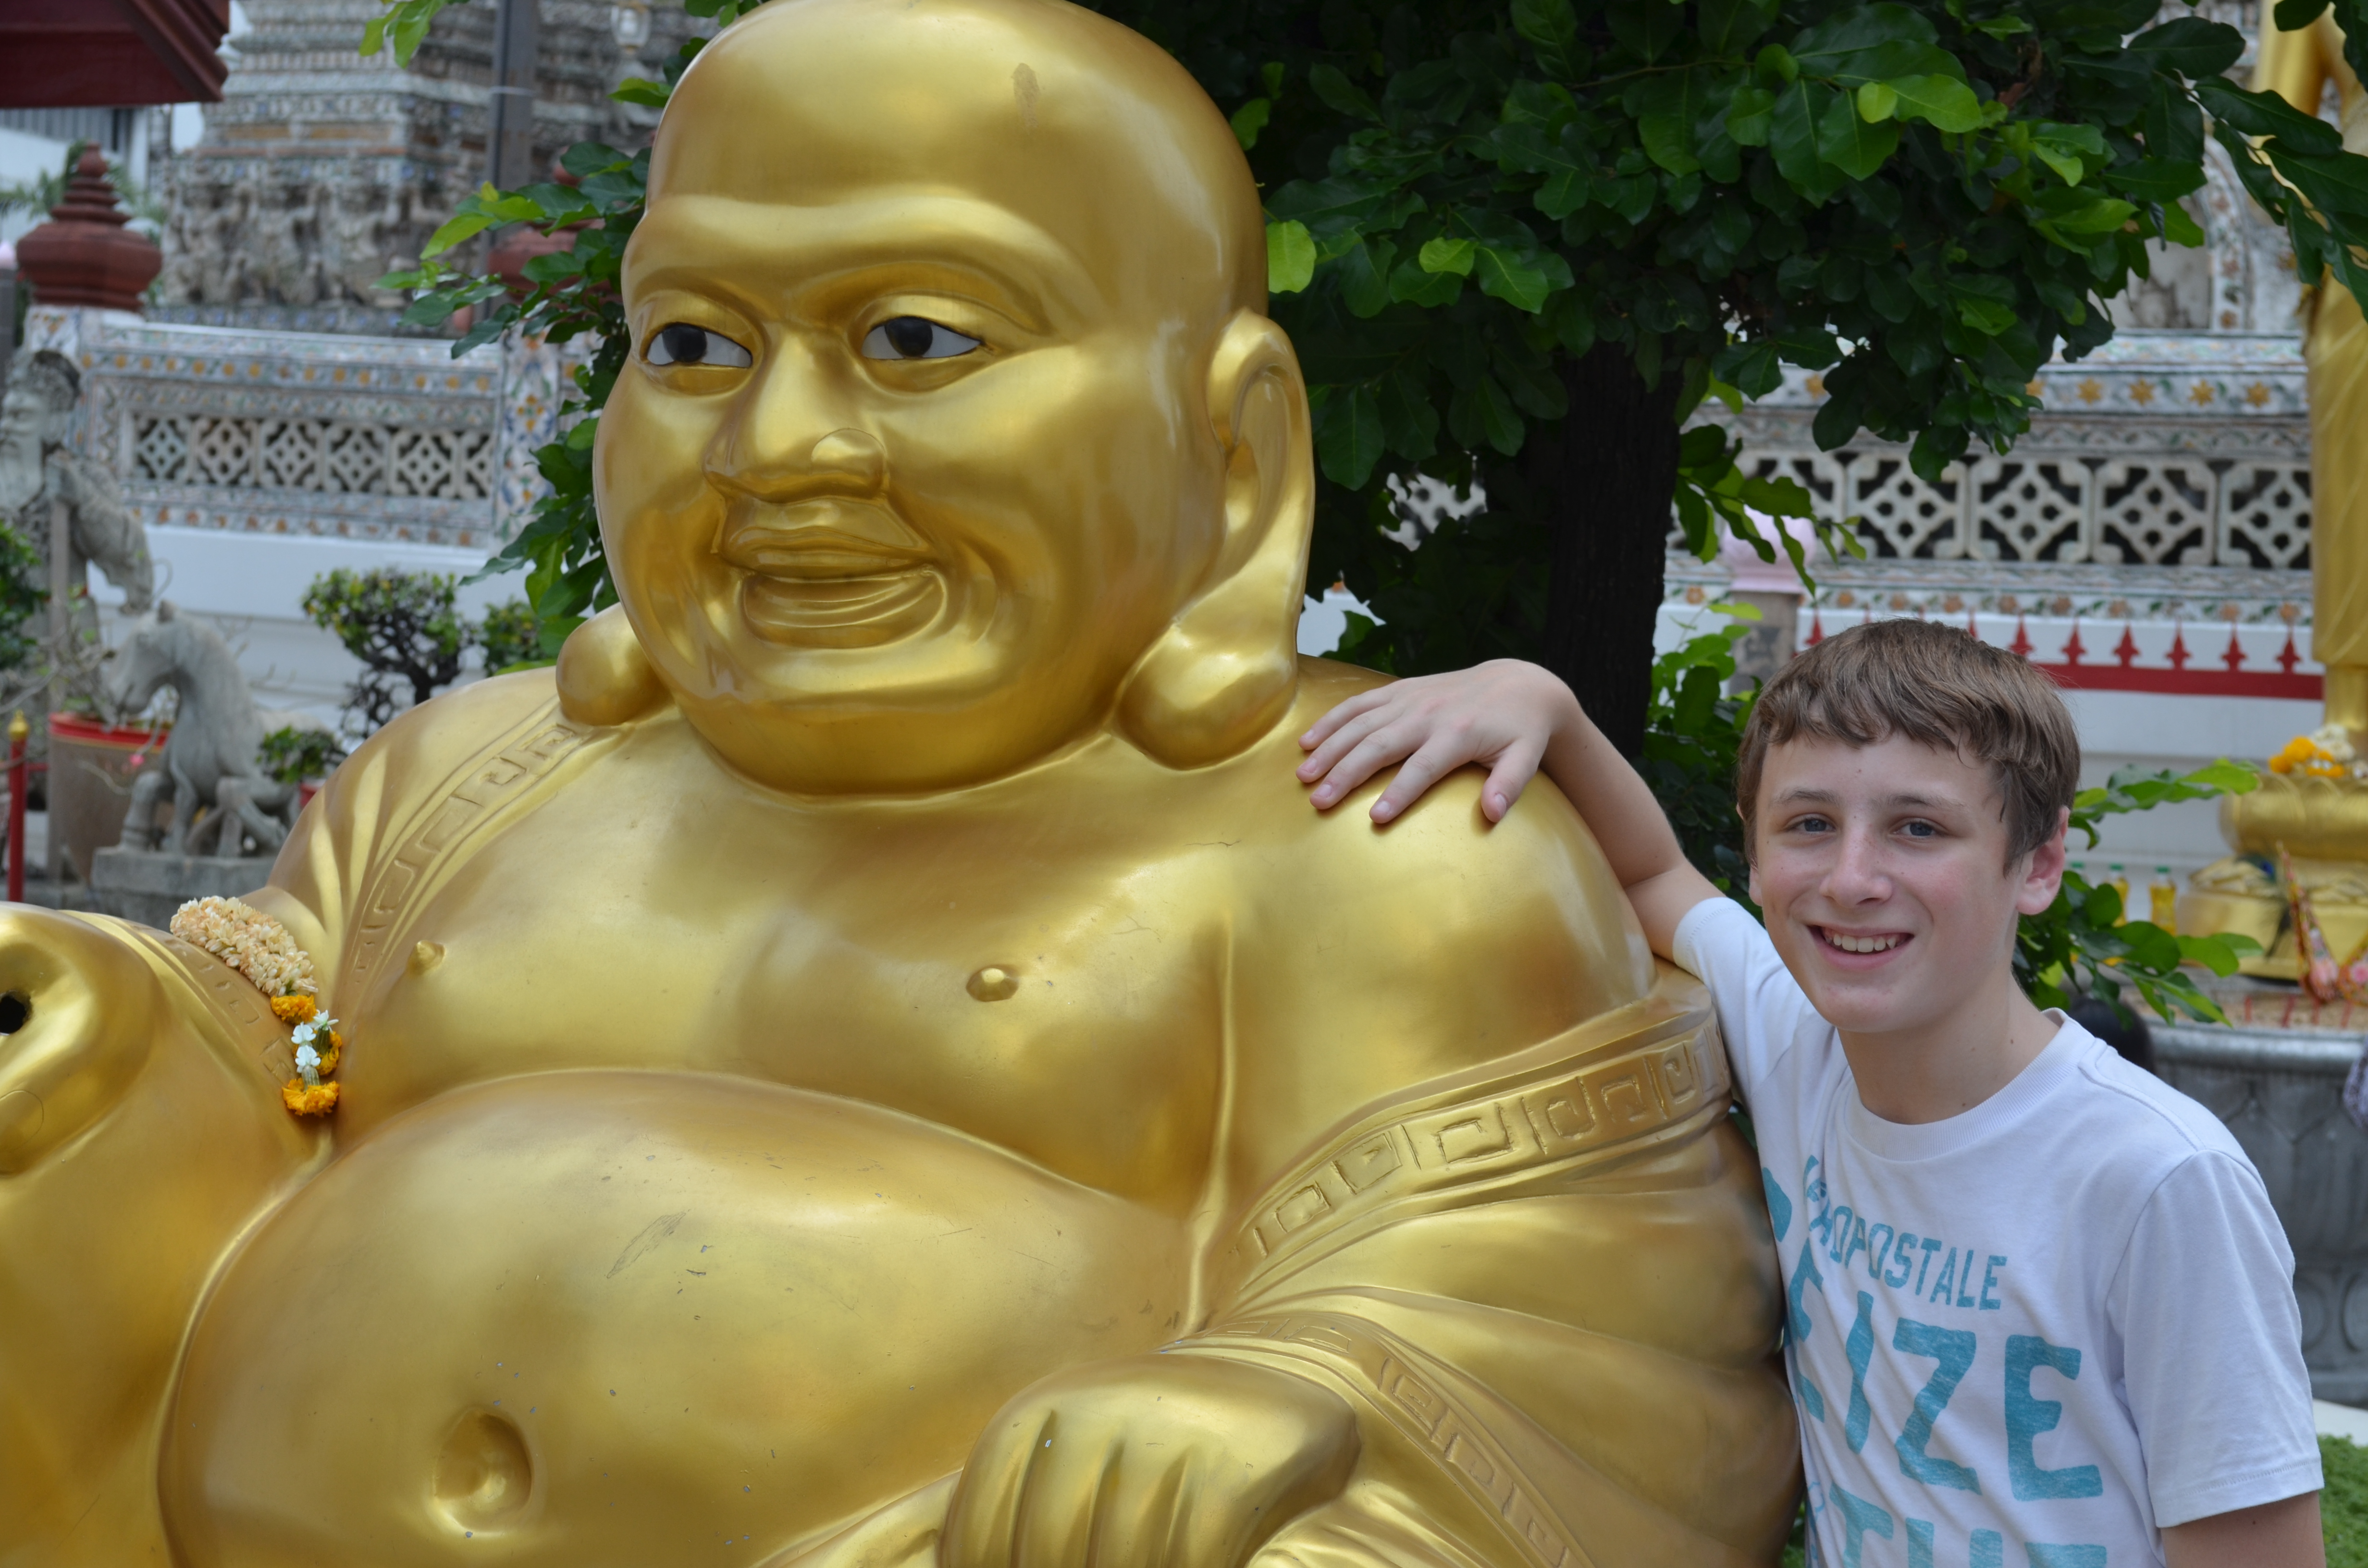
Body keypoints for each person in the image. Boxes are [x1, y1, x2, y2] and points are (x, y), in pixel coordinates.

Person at [0, 3, 1801, 1563]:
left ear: (1236, 452)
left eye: (919, 340)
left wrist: (1299, 1390)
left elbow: (1598, 1329)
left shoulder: (1358, 837)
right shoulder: (467, 780)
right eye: (692, 344)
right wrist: (100, 1029)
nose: (778, 449)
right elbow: (261, 1048)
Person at [1295, 619, 2324, 1568]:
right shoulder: (1800, 1050)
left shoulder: (2158, 1179)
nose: (1851, 879)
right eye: (1810, 824)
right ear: (1754, 853)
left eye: (1918, 829)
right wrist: (1543, 701)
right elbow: (1649, 874)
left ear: (2039, 862)